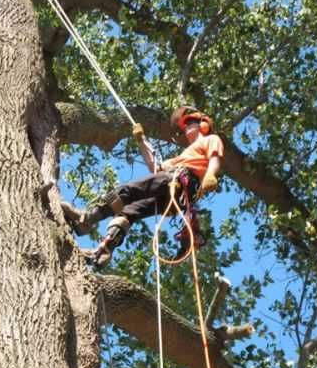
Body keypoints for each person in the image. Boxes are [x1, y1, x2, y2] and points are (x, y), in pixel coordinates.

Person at [61, 106, 224, 268]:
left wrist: (211, 175)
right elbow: (155, 168)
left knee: (127, 191)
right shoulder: (181, 157)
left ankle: (87, 219)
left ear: (203, 124)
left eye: (190, 122)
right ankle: (103, 250)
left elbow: (214, 159)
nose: (186, 126)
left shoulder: (211, 139)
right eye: (185, 124)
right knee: (128, 212)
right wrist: (141, 141)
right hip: (173, 190)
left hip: (181, 182)